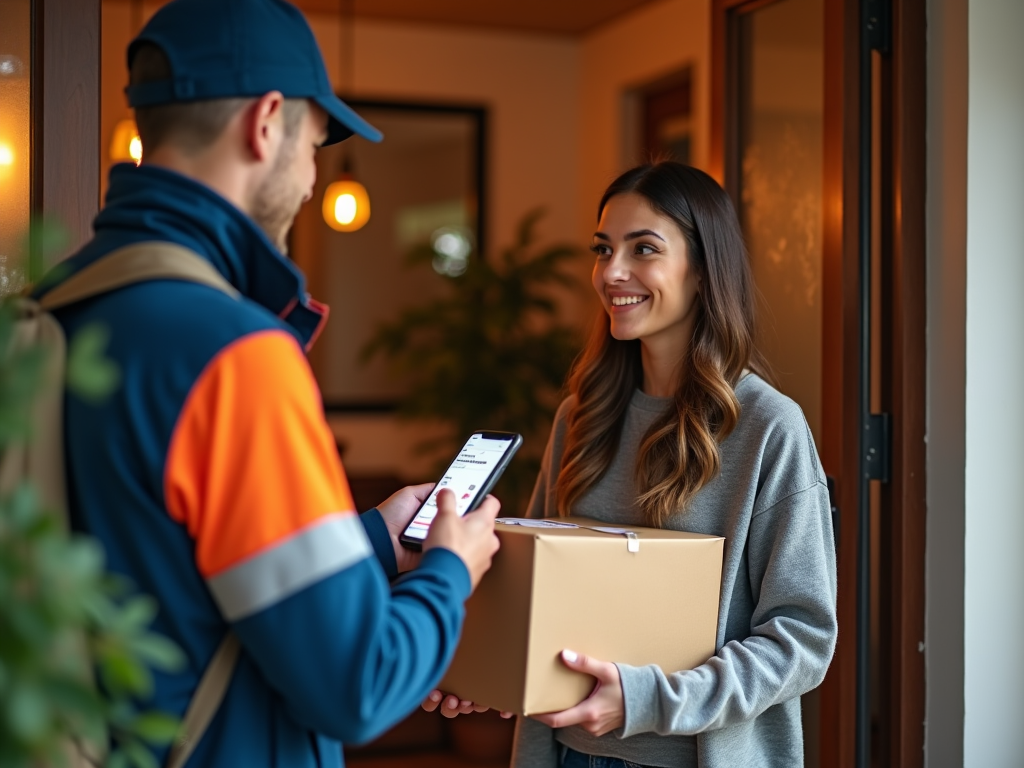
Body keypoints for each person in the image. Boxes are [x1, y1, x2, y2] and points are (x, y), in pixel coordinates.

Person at [34, 1, 500, 766]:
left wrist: (376, 541)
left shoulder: (56, 309)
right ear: (266, 122)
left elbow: (173, 574)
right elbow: (359, 682)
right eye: (316, 145)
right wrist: (450, 567)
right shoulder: (233, 352)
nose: (315, 179)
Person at [503, 162, 839, 767]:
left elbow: (803, 638)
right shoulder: (579, 417)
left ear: (704, 269)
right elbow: (536, 588)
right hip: (572, 753)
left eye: (644, 249)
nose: (611, 272)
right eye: (603, 249)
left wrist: (649, 700)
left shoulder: (767, 428)